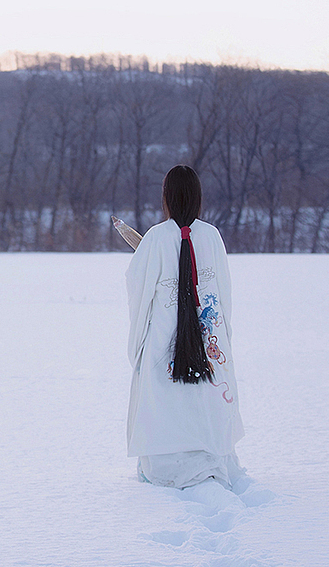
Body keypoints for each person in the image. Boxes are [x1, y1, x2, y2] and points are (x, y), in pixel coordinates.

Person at [125, 165, 244, 489]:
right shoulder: (212, 236)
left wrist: (138, 344)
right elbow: (223, 291)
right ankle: (211, 457)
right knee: (205, 398)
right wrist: (223, 337)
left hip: (164, 337)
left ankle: (166, 466)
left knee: (166, 400)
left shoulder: (155, 238)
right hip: (209, 339)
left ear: (166, 197)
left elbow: (139, 290)